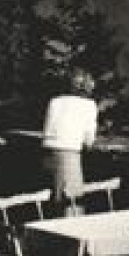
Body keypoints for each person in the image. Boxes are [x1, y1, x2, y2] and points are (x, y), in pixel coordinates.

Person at [42, 71, 99, 213]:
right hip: (68, 152)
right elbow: (89, 140)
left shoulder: (54, 101)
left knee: (54, 198)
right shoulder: (88, 105)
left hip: (47, 153)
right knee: (73, 200)